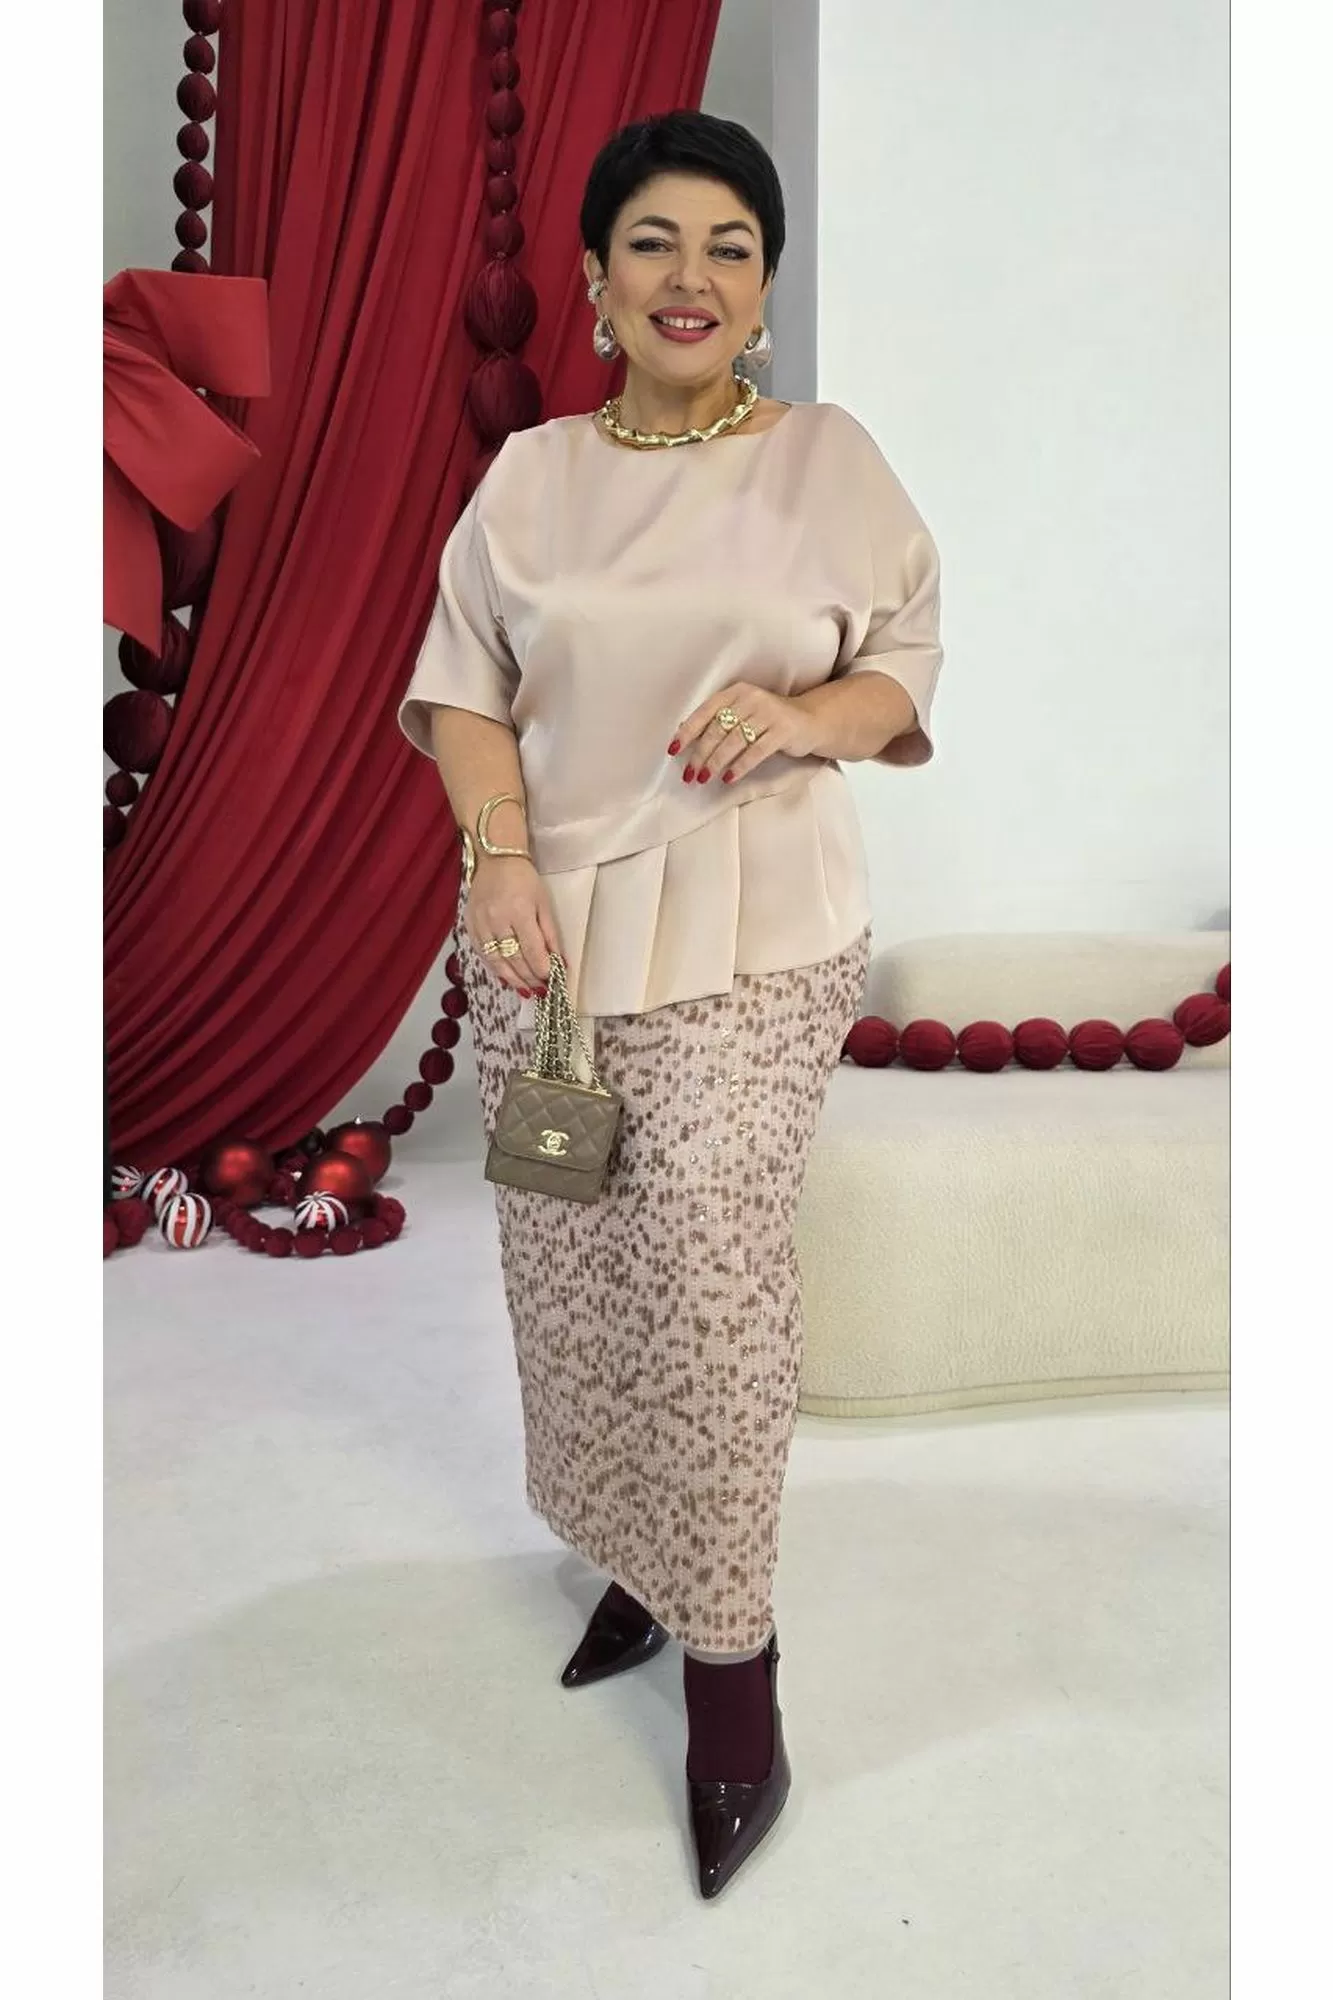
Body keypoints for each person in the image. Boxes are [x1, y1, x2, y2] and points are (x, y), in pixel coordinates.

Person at [398, 109, 943, 1901]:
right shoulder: (532, 475)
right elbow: (464, 687)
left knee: (708, 1260)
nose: (690, 276)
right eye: (654, 242)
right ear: (593, 278)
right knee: (577, 1267)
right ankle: (634, 1559)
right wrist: (496, 860)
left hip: (756, 912)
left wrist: (803, 715)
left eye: (729, 246)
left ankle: (733, 1674)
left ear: (766, 289)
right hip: (548, 937)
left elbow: (902, 664)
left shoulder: (828, 463)